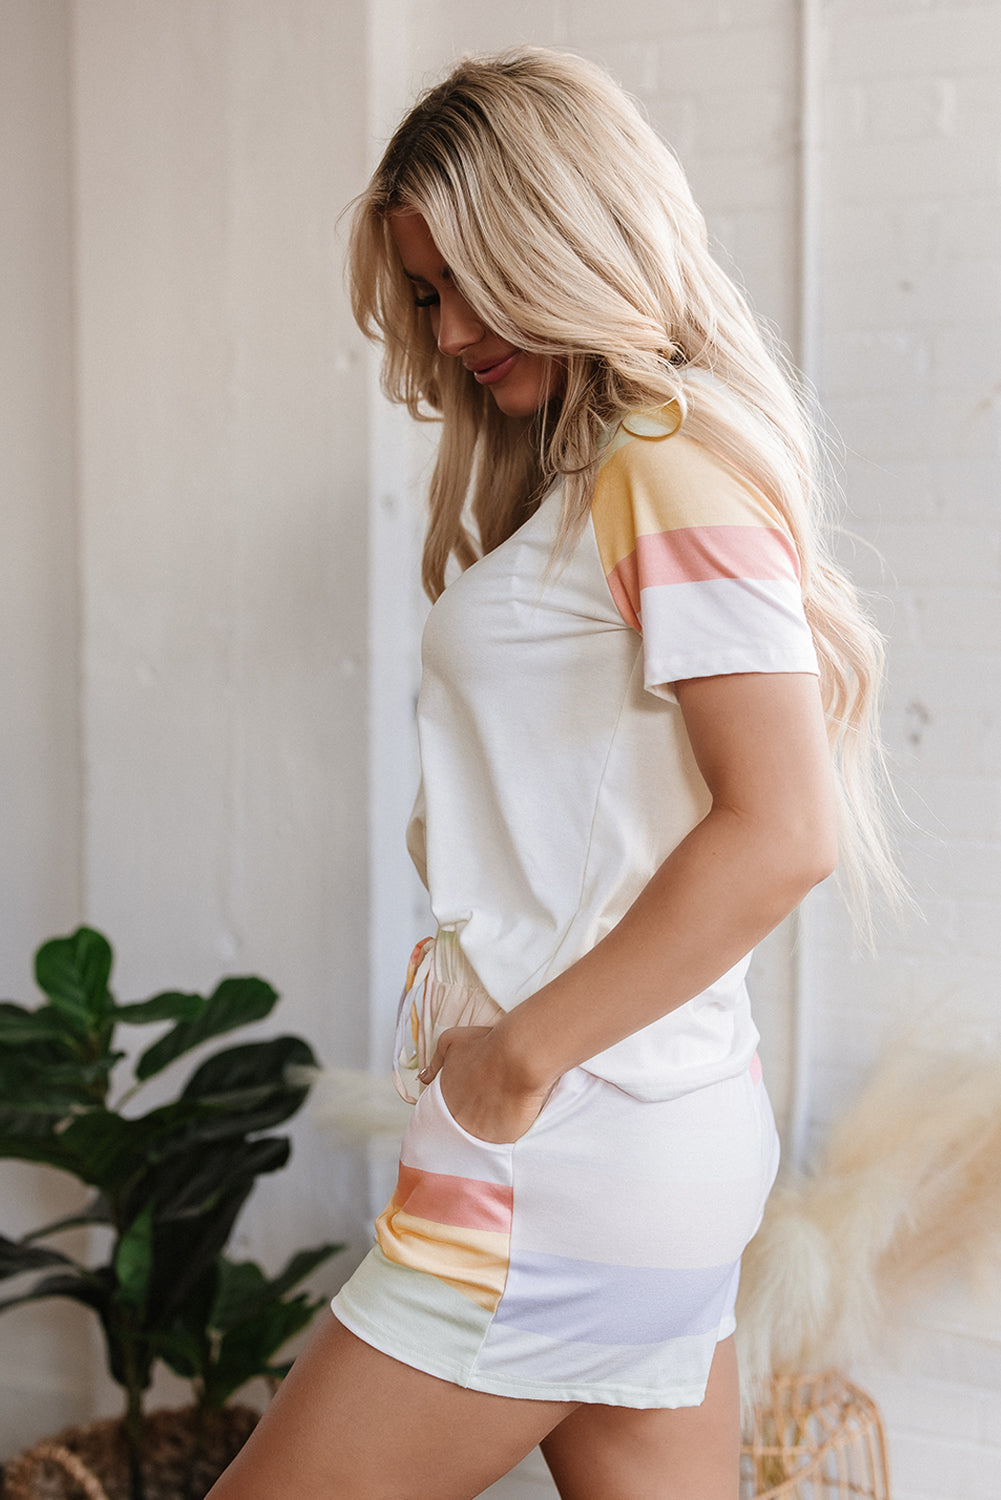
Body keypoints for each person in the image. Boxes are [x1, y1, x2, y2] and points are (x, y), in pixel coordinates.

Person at [208, 46, 898, 1500]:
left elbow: (782, 828)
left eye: (473, 279)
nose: (451, 330)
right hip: (648, 1138)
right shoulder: (622, 473)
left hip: (567, 1153)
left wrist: (513, 1063)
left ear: (569, 236)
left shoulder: (660, 465)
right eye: (424, 295)